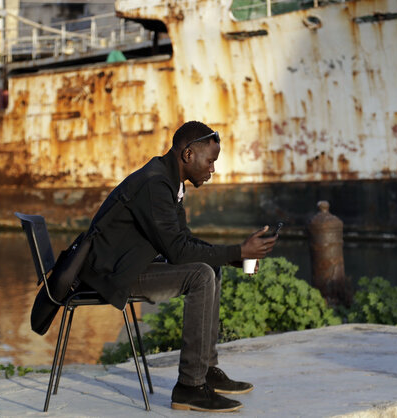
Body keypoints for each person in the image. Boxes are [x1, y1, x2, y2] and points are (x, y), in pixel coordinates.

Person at [78, 121, 278, 412]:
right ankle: (189, 387)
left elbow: (182, 241)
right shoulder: (155, 183)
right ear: (188, 155)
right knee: (201, 275)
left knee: (211, 268)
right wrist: (237, 249)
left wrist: (234, 258)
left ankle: (205, 370)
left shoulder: (170, 181)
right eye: (210, 161)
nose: (212, 169)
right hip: (111, 274)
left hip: (129, 266)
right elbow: (177, 251)